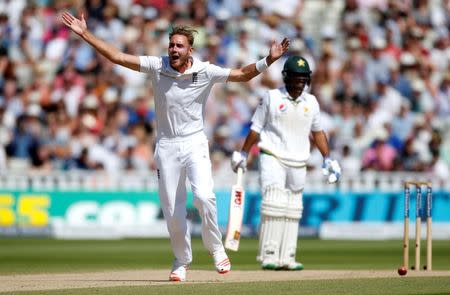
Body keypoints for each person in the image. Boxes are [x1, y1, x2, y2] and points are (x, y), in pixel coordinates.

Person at [61, 12, 289, 281]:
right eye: (171, 45)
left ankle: (216, 250)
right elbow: (118, 57)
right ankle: (181, 260)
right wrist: (85, 34)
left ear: (190, 49)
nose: (173, 49)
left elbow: (241, 74)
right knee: (172, 210)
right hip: (167, 145)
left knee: (204, 196)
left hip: (194, 142)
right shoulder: (157, 65)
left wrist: (269, 59)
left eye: (179, 45)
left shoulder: (205, 70)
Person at [231, 56, 341, 270]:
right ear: (286, 77)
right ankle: (269, 254)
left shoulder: (312, 102)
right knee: (273, 202)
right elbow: (256, 128)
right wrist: (244, 153)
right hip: (272, 154)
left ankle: (288, 256)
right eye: (296, 77)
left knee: (294, 207)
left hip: (299, 160)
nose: (299, 81)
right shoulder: (271, 97)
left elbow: (318, 133)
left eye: (303, 78)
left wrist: (328, 158)